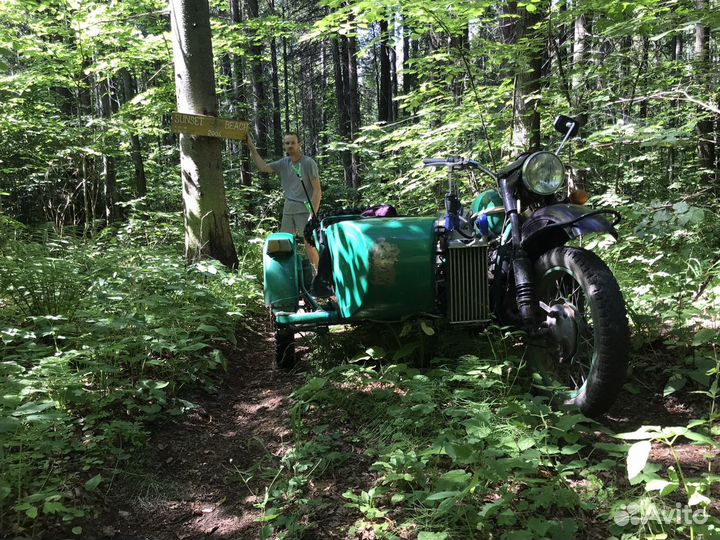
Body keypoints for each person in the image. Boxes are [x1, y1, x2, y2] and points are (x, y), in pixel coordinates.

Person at [244, 132, 321, 270]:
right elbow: (263, 167)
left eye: (293, 143)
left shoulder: (308, 163)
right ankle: (290, 277)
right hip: (288, 209)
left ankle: (319, 276)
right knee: (285, 243)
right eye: (287, 143)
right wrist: (251, 147)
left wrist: (312, 214)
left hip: (305, 209)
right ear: (284, 145)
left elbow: (317, 190)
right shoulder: (283, 163)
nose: (290, 146)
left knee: (309, 243)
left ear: (299, 145)